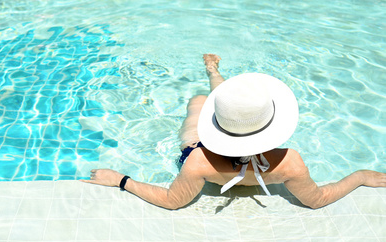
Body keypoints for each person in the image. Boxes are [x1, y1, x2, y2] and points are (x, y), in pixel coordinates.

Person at [81, 54, 386, 210]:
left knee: (200, 103)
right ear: (274, 125)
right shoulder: (291, 162)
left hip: (201, 151)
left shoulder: (198, 161)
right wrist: (359, 177)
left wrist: (121, 180)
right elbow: (317, 199)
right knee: (235, 106)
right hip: (250, 158)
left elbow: (173, 201)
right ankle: (215, 74)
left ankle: (214, 75)